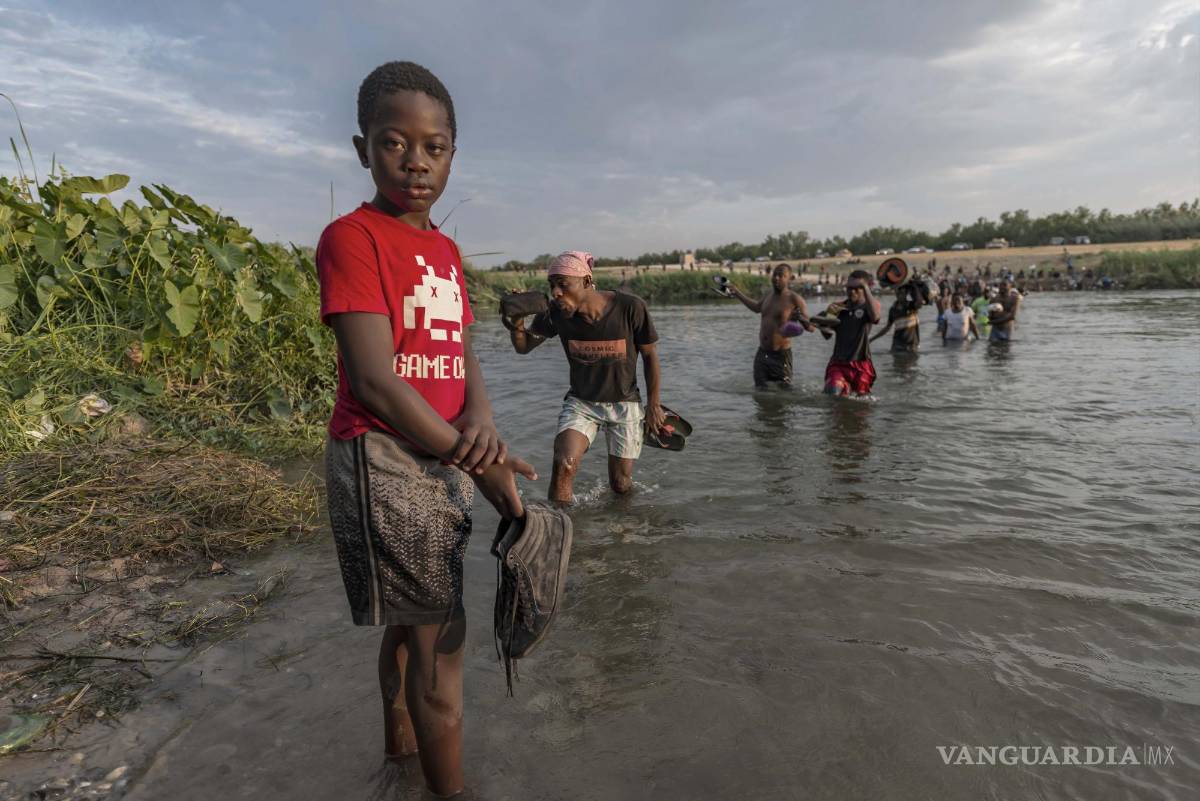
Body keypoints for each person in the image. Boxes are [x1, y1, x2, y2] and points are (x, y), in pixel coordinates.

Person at [316, 61, 537, 798]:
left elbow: (462, 346)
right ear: (362, 150)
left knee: (412, 623)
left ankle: (400, 757)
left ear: (452, 152)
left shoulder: (443, 248)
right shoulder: (352, 239)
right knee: (441, 640)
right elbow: (377, 380)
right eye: (393, 143)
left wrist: (481, 423)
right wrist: (475, 462)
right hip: (382, 457)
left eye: (434, 147)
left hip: (440, 450)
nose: (415, 161)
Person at [508, 251, 666, 504]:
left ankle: (625, 530)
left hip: (625, 403)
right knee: (564, 464)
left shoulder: (630, 308)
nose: (556, 292)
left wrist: (654, 405)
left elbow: (650, 356)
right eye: (552, 286)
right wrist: (515, 320)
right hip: (582, 403)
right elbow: (524, 346)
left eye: (563, 284)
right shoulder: (555, 314)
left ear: (586, 281)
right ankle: (561, 529)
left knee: (620, 484)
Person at [725, 262, 815, 388]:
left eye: (781, 275)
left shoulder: (795, 299)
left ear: (789, 278)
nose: (776, 278)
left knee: (784, 395)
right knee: (760, 393)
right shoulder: (768, 294)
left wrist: (800, 318)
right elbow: (757, 308)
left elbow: (811, 328)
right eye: (774, 275)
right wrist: (737, 293)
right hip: (762, 353)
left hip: (781, 356)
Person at [815, 270, 881, 396]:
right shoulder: (837, 308)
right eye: (849, 288)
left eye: (857, 288)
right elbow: (827, 335)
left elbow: (875, 317)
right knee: (832, 393)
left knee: (860, 406)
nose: (852, 291)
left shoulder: (870, 306)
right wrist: (820, 324)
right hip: (838, 363)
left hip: (861, 365)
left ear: (865, 288)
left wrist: (866, 287)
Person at [869, 281, 922, 352]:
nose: (899, 295)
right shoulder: (893, 309)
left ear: (906, 294)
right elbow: (887, 327)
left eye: (902, 293)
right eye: (897, 293)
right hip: (897, 345)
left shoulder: (911, 307)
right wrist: (872, 339)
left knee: (910, 362)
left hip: (911, 346)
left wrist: (914, 286)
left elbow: (919, 301)